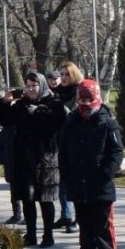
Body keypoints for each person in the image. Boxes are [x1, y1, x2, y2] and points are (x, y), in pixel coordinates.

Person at [58, 79, 123, 249]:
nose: (85, 104)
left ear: (96, 98)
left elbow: (116, 152)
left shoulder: (107, 122)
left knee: (103, 225)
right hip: (78, 182)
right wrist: (67, 176)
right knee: (85, 225)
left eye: (89, 99)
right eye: (82, 100)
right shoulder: (71, 122)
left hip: (100, 184)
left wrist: (105, 174)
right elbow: (64, 152)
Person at [0, 72, 65, 248]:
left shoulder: (53, 102)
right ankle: (31, 234)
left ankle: (48, 235)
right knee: (27, 198)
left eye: (34, 85)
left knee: (45, 198)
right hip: (24, 158)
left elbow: (58, 123)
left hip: (45, 158)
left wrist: (40, 112)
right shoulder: (22, 104)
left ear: (41, 85)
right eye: (28, 86)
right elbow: (5, 120)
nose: (31, 89)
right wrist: (4, 102)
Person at [53, 61, 85, 233]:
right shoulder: (58, 93)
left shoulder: (80, 91)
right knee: (62, 181)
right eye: (62, 74)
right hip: (60, 141)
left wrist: (60, 108)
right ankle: (66, 215)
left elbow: (73, 114)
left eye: (67, 74)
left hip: (76, 142)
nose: (63, 77)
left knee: (75, 183)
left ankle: (79, 219)